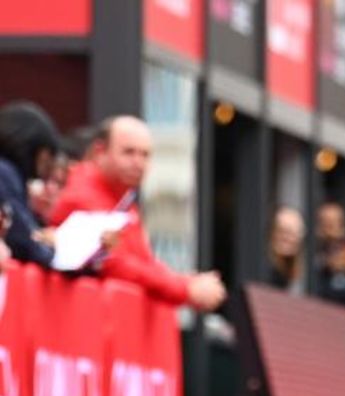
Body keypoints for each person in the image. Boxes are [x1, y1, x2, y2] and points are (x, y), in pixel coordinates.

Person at [51, 116, 226, 311]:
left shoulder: (123, 201)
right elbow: (113, 263)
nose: (138, 163)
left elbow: (143, 262)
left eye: (145, 155)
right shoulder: (83, 193)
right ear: (100, 152)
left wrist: (185, 282)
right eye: (128, 152)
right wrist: (185, 288)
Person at [0, 101, 60, 268]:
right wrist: (51, 247)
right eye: (47, 156)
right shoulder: (5, 173)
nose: (47, 167)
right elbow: (24, 241)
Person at [265, 206, 306, 292]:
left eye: (293, 234)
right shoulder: (263, 272)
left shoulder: (301, 276)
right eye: (282, 231)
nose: (287, 238)